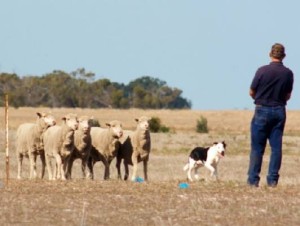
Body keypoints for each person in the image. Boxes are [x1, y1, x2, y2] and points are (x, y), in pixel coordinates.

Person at [247, 43, 294, 187]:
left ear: (270, 54)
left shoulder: (262, 71)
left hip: (262, 109)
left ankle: (253, 180)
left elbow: (251, 91)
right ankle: (272, 180)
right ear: (283, 56)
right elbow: (288, 95)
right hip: (279, 109)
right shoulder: (288, 73)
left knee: (257, 148)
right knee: (276, 147)